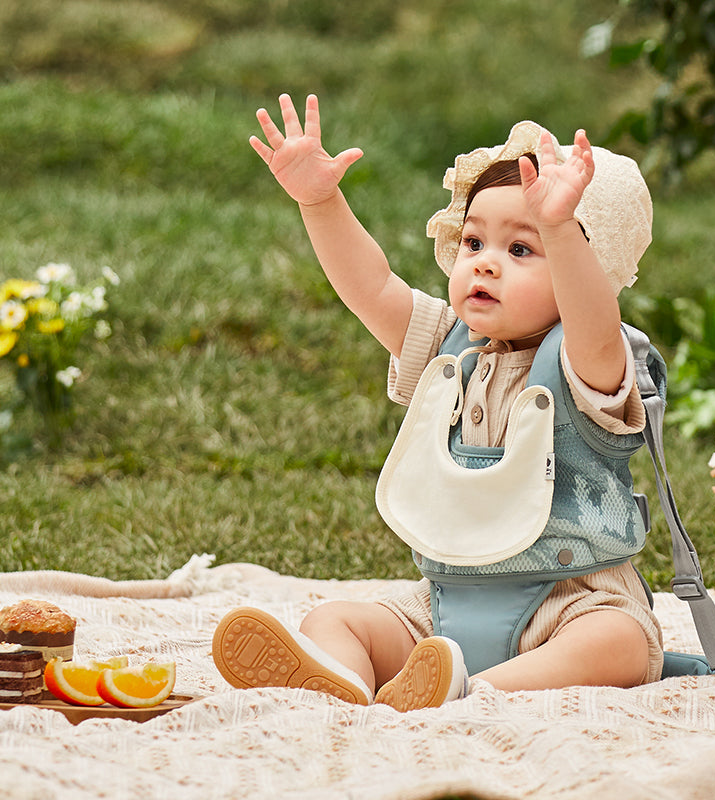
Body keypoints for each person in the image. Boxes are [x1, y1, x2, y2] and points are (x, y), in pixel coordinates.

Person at [212, 93, 663, 712]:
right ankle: (346, 678)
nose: (485, 265)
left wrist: (559, 227)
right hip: (446, 605)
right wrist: (319, 202)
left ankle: (475, 692)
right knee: (334, 618)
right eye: (474, 243)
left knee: (620, 643)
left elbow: (593, 315)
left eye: (521, 249)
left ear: (589, 264)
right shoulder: (450, 345)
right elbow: (371, 286)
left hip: (570, 599)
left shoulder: (588, 357)